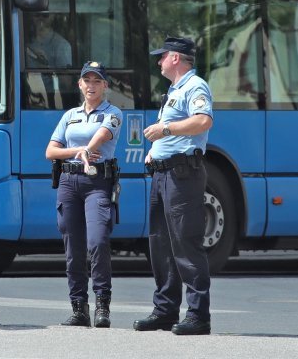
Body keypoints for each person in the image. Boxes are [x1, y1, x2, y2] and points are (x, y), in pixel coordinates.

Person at [133, 36, 214, 336]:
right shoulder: (174, 90)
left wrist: (165, 129)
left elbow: (203, 121)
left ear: (176, 58)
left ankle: (198, 315)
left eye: (162, 56)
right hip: (163, 174)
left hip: (183, 175)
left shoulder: (195, 86)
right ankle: (166, 310)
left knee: (186, 242)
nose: (159, 61)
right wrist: (155, 151)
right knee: (161, 244)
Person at [45, 61, 122, 328]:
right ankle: (79, 308)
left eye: (96, 81)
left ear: (105, 86)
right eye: (86, 80)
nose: (91, 85)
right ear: (79, 84)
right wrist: (76, 153)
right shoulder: (70, 115)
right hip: (69, 181)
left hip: (97, 181)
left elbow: (101, 137)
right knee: (73, 248)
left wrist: (86, 149)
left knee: (98, 241)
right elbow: (50, 152)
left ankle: (103, 304)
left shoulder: (113, 113)